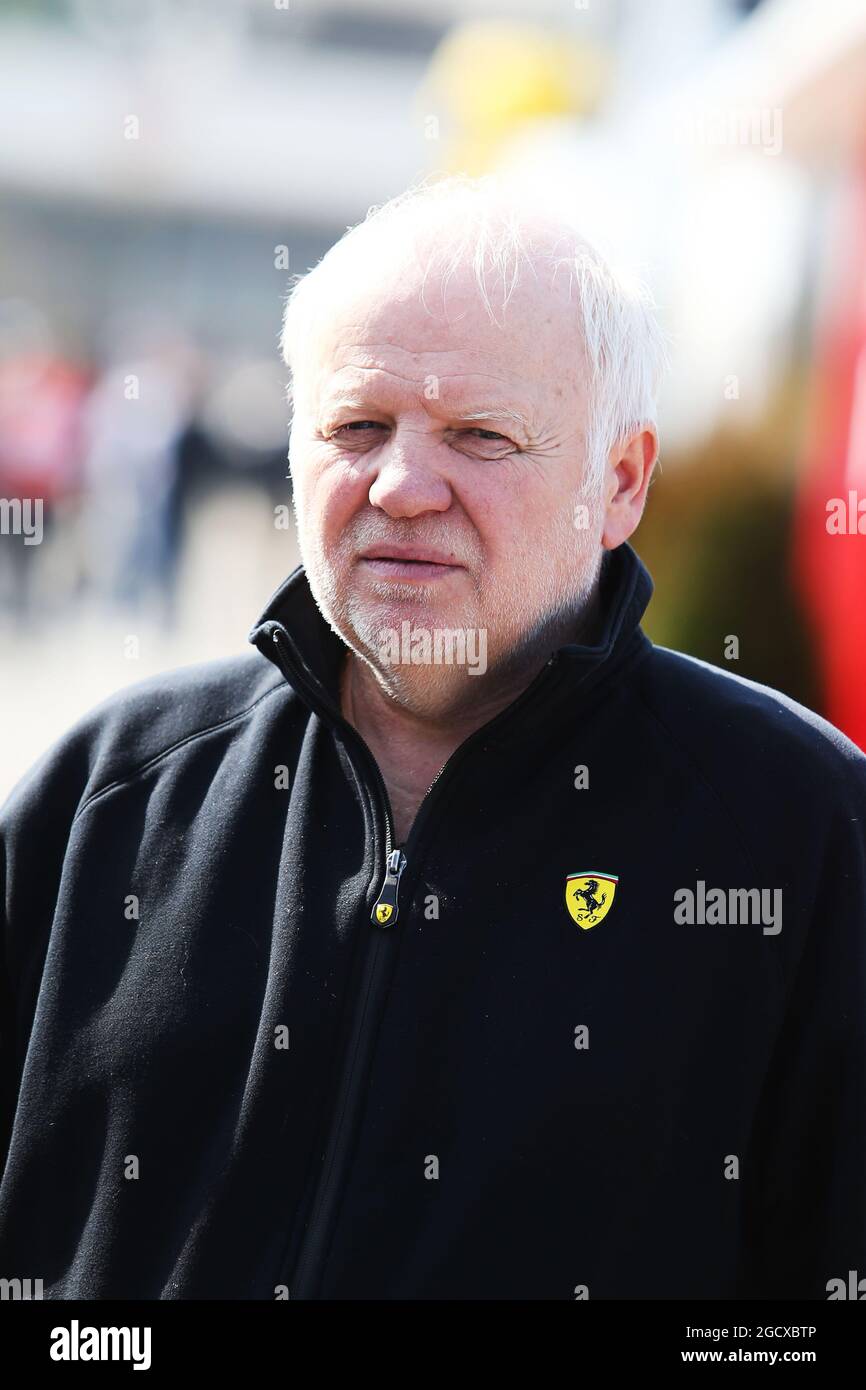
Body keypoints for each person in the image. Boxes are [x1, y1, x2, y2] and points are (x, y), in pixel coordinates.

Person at [1, 176, 864, 1301]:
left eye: (480, 435)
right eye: (358, 426)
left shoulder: (802, 838)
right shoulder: (111, 790)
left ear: (619, 482)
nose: (403, 485)